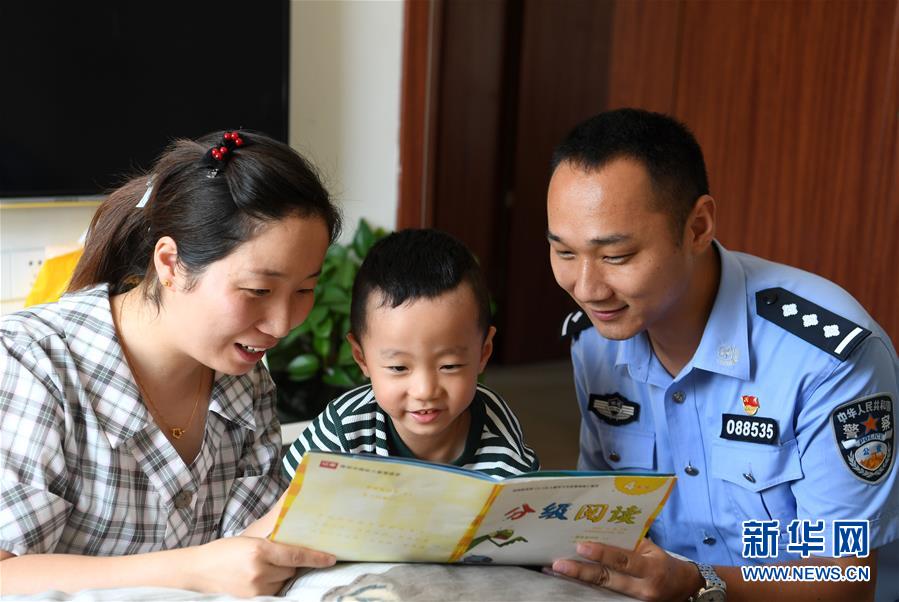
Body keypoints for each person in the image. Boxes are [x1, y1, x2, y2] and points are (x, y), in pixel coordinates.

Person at [544, 109, 898, 601]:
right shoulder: (594, 340)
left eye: (616, 256)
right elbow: (604, 515)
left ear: (697, 226)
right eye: (563, 252)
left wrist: (698, 582)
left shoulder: (825, 357)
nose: (585, 287)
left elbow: (845, 577)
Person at [0, 130, 342, 596]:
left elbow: (246, 558)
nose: (283, 324)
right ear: (171, 263)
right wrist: (192, 568)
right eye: (258, 291)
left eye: (305, 290)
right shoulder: (30, 362)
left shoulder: (246, 381)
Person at [282, 228, 539, 480]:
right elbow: (285, 504)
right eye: (398, 368)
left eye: (449, 365)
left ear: (484, 353)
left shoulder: (498, 432)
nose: (425, 390)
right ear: (361, 358)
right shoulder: (344, 428)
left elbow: (521, 510)